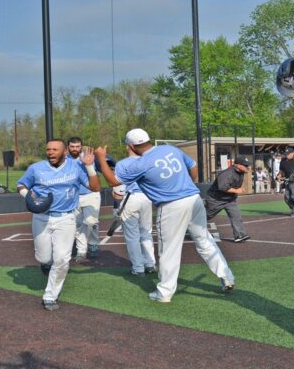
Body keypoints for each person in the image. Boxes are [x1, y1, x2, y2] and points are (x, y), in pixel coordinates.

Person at [94, 128, 234, 303]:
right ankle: (226, 276)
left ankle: (164, 292)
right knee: (204, 240)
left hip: (171, 205)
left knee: (169, 250)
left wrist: (100, 157)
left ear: (131, 145)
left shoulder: (140, 163)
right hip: (193, 198)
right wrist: (187, 183)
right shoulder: (170, 149)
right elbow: (193, 166)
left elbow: (113, 181)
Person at [17, 139, 101, 311]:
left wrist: (90, 167)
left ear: (64, 152)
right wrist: (29, 196)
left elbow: (95, 187)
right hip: (41, 217)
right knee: (44, 258)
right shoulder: (36, 168)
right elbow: (21, 184)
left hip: (66, 218)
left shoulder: (76, 167)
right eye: (48, 149)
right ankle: (45, 264)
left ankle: (50, 296)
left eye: (55, 149)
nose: (50, 152)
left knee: (62, 259)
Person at [115, 145, 157, 277]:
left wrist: (116, 207)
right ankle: (150, 264)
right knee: (146, 233)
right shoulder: (149, 160)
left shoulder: (122, 163)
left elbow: (118, 188)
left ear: (128, 146)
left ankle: (138, 268)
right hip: (147, 197)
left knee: (132, 236)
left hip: (131, 198)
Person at [67, 137, 102, 261]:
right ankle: (81, 251)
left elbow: (100, 171)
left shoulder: (89, 157)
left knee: (92, 222)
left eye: (77, 146)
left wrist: (92, 161)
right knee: (78, 224)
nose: (75, 149)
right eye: (72, 146)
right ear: (68, 147)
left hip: (91, 194)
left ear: (81, 146)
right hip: (74, 196)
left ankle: (93, 243)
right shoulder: (64, 160)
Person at [205, 155, 251, 243]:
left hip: (230, 199)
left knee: (236, 215)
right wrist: (237, 190)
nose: (247, 167)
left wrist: (235, 191)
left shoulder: (240, 172)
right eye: (245, 165)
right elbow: (222, 187)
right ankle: (190, 225)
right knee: (206, 215)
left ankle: (240, 235)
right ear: (237, 165)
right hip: (216, 199)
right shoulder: (227, 174)